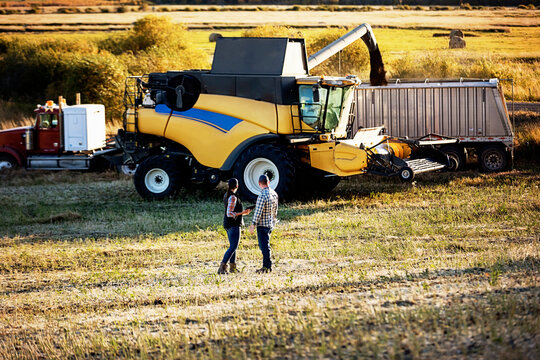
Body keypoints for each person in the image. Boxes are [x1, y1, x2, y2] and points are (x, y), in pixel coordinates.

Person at [219, 178, 251, 274]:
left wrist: (244, 213)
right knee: (233, 246)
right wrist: (242, 212)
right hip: (233, 225)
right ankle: (222, 266)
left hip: (228, 224)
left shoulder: (226, 195)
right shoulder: (233, 197)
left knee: (233, 246)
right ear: (237, 186)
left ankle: (232, 267)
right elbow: (230, 213)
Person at [249, 174, 279, 273]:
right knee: (266, 245)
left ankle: (267, 266)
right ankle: (267, 266)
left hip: (262, 224)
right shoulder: (274, 194)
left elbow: (258, 212)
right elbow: (275, 210)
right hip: (270, 223)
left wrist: (253, 224)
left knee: (264, 247)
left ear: (259, 183)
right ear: (268, 182)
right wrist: (274, 220)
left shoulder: (262, 195)